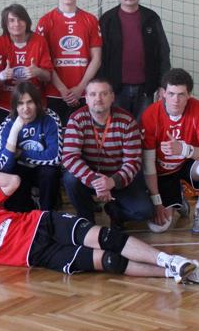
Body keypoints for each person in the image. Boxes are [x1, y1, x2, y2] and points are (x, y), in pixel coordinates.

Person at [0, 171, 199, 284]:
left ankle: (169, 260)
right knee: (109, 261)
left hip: (42, 224)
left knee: (107, 238)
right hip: (40, 255)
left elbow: (13, 182)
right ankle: (173, 273)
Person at [61, 77, 152, 227]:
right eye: (93, 94)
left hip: (119, 176)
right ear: (86, 99)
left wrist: (111, 182)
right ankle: (86, 219)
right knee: (70, 179)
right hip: (89, 177)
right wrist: (96, 181)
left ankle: (116, 212)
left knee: (144, 211)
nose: (98, 99)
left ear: (112, 97)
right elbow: (69, 158)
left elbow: (133, 162)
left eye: (104, 94)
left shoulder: (127, 121)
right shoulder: (76, 119)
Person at [141, 68, 199, 234]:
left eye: (181, 95)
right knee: (159, 227)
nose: (175, 100)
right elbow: (148, 164)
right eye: (171, 94)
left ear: (189, 95)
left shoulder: (198, 108)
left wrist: (183, 149)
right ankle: (179, 200)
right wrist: (157, 202)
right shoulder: (150, 114)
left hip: (187, 165)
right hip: (162, 173)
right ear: (163, 93)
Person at [99, 0, 171, 118]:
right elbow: (99, 57)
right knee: (117, 129)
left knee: (144, 129)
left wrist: (163, 85)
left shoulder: (151, 18)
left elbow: (163, 52)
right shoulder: (107, 20)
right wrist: (102, 87)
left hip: (145, 90)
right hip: (115, 91)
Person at [35, 0, 102, 126]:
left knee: (84, 135)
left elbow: (97, 59)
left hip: (84, 93)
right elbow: (44, 61)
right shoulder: (45, 21)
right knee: (56, 136)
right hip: (54, 93)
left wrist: (80, 88)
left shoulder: (90, 20)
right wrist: (62, 89)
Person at [0, 82, 63, 212]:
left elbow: (55, 157)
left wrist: (21, 154)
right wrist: (14, 131)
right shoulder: (7, 124)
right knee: (11, 175)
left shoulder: (50, 118)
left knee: (50, 172)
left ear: (37, 103)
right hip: (20, 172)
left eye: (29, 102)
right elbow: (3, 165)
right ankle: (23, 213)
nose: (25, 108)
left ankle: (47, 214)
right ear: (15, 106)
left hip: (42, 171)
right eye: (20, 103)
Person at [0, 4, 53, 144]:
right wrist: (2, 76)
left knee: (35, 145)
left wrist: (37, 71)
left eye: (20, 19)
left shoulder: (39, 41)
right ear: (5, 24)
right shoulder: (0, 43)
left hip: (34, 105)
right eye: (11, 20)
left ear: (27, 21)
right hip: (6, 104)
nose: (16, 24)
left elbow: (48, 76)